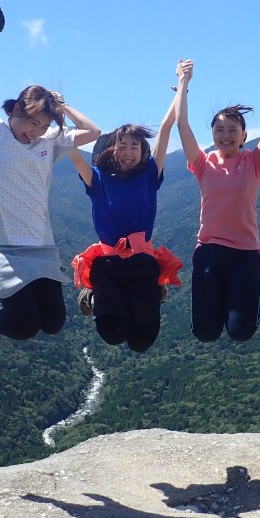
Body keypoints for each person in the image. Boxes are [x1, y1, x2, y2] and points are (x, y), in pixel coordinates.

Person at [0, 8, 100, 355]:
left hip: (40, 245)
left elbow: (93, 131)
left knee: (53, 323)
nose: (34, 131)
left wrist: (62, 106)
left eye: (43, 125)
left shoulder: (49, 144)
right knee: (24, 325)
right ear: (15, 110)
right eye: (31, 121)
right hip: (1, 246)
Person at [68, 86, 183, 353]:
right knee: (112, 333)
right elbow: (70, 146)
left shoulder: (149, 174)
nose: (128, 152)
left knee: (142, 342)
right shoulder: (96, 179)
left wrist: (182, 87)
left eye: (135, 146)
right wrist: (62, 109)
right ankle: (94, 294)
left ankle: (144, 296)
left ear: (143, 151)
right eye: (122, 146)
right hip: (107, 265)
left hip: (143, 262)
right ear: (112, 150)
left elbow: (166, 127)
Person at [173, 57, 260, 342]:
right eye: (219, 129)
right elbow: (182, 124)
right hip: (209, 251)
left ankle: (258, 283)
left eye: (233, 130)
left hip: (245, 254)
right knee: (205, 333)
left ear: (244, 136)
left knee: (241, 332)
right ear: (212, 134)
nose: (226, 135)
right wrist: (183, 82)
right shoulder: (203, 164)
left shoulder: (254, 162)